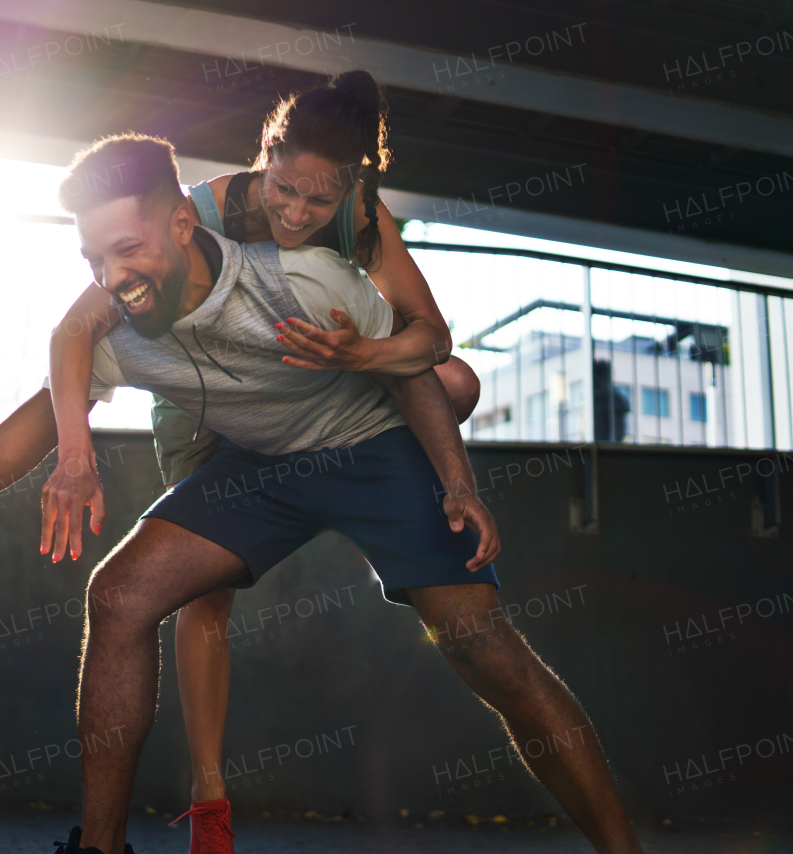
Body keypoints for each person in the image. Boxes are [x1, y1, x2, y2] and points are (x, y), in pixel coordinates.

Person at [0, 134, 644, 854]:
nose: (114, 274)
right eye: (94, 258)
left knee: (481, 647)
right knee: (119, 595)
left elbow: (414, 364)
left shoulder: (297, 274)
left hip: (369, 444)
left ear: (184, 222)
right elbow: (4, 452)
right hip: (258, 468)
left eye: (129, 247)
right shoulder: (115, 334)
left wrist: (457, 481)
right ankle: (102, 849)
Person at [41, 71, 487, 851]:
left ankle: (391, 475)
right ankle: (208, 799)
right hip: (200, 394)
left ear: (349, 189)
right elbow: (76, 326)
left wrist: (365, 354)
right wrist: (73, 449)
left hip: (303, 384)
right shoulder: (203, 210)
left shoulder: (359, 218)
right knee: (197, 591)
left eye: (317, 201)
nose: (296, 213)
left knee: (458, 383)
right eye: (284, 190)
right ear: (263, 158)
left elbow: (433, 340)